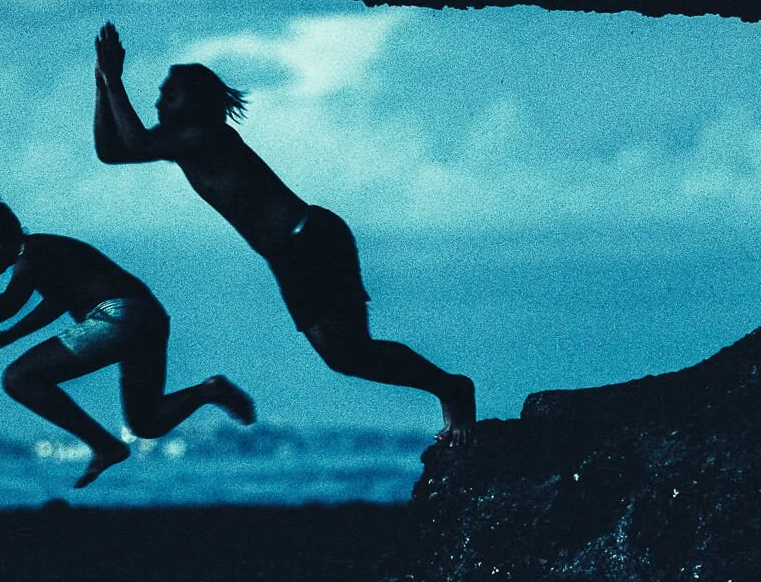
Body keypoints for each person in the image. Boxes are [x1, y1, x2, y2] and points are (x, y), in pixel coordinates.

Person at [91, 22, 475, 444]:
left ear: (194, 101)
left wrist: (113, 78)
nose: (160, 98)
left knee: (351, 353)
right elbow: (112, 151)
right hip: (290, 254)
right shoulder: (178, 142)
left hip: (311, 240)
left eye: (170, 92)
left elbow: (133, 139)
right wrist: (101, 83)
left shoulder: (205, 136)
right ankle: (449, 387)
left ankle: (451, 388)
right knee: (345, 357)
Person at [0, 194, 255, 488]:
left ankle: (105, 446)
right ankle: (209, 390)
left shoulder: (32, 253)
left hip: (118, 317)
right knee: (146, 422)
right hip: (148, 317)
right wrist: (8, 336)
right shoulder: (47, 253)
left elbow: (10, 301)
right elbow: (55, 304)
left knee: (18, 378)